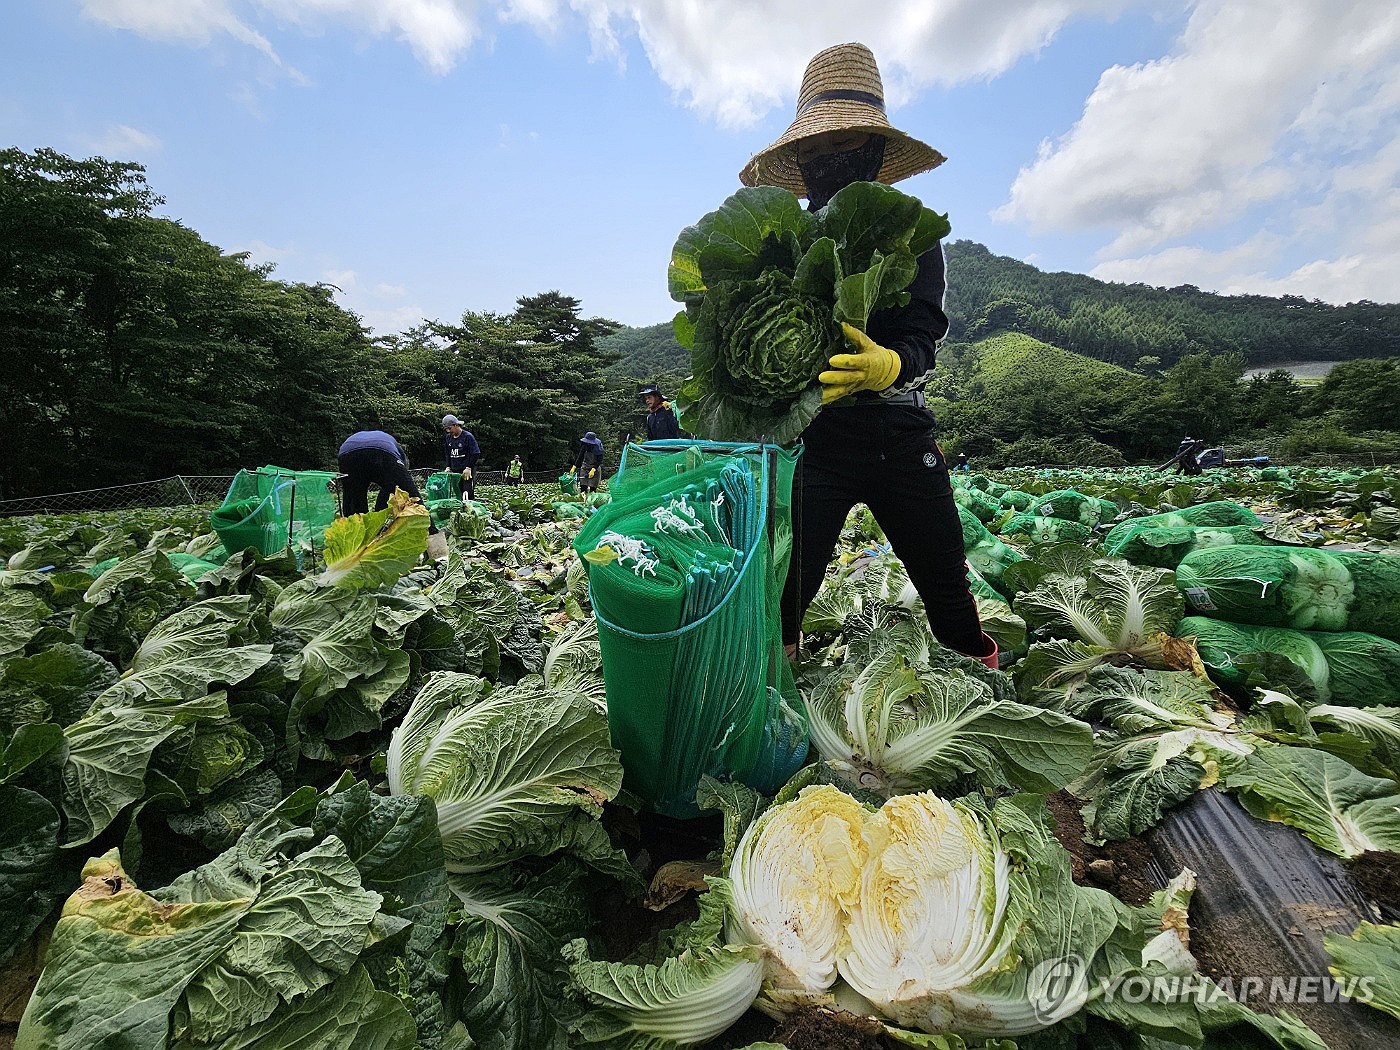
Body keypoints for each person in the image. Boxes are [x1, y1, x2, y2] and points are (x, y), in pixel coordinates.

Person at [738, 42, 995, 669]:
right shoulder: (780, 240)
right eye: (818, 150)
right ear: (800, 158)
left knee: (949, 594)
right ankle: (773, 705)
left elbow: (923, 331)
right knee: (783, 596)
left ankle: (981, 698)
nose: (831, 160)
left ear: (876, 151)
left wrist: (891, 365)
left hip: (902, 433)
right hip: (815, 439)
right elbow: (742, 336)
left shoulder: (912, 234)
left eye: (846, 145)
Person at [337, 429, 447, 560]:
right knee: (412, 497)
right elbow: (394, 489)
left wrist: (379, 518)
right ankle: (438, 553)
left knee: (353, 502)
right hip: (382, 452)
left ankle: (356, 552)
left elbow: (386, 492)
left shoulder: (389, 443)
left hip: (346, 453)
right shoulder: (400, 455)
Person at [442, 414, 481, 500]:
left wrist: (469, 467)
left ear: (455, 425)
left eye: (449, 428)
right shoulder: (448, 438)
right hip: (455, 471)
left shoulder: (467, 437)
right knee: (458, 492)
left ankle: (469, 510)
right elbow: (448, 453)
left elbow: (475, 453)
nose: (448, 431)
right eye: (446, 429)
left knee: (467, 492)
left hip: (466, 471)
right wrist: (448, 466)